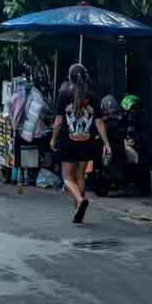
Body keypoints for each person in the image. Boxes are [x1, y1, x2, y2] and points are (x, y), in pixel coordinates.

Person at [51, 64, 112, 223]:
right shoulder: (94, 97)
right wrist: (106, 143)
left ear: (69, 78)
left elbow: (58, 122)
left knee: (67, 178)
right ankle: (78, 210)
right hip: (86, 142)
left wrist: (53, 139)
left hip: (68, 142)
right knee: (80, 177)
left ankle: (79, 201)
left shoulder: (64, 95)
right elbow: (99, 122)